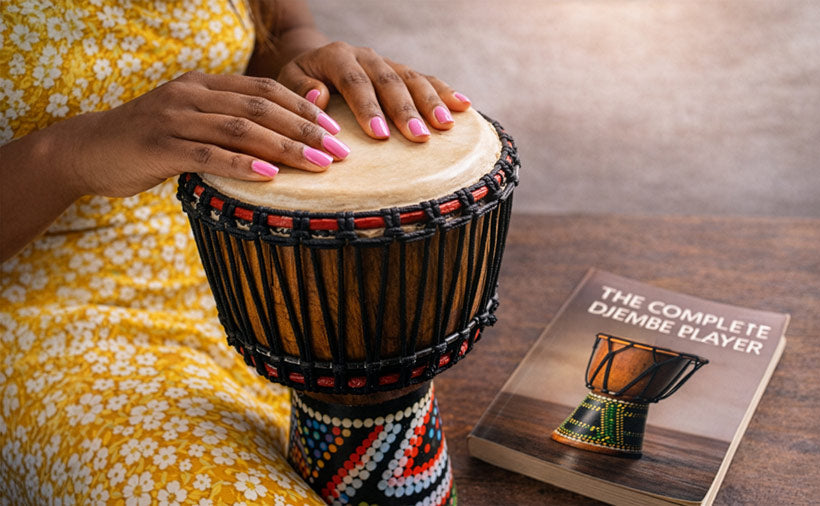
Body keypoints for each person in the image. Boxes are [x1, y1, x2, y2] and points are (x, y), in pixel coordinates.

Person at [0, 0, 470, 503]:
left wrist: (310, 77)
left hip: (257, 267)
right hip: (48, 320)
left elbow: (281, 27)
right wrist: (68, 153)